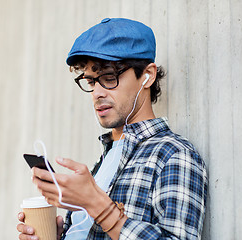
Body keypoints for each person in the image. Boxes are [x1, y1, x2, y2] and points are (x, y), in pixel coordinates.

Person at [17, 18, 208, 240]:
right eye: (91, 82)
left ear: (148, 76)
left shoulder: (174, 155)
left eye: (109, 78)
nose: (97, 93)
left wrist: (100, 207)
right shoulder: (103, 163)